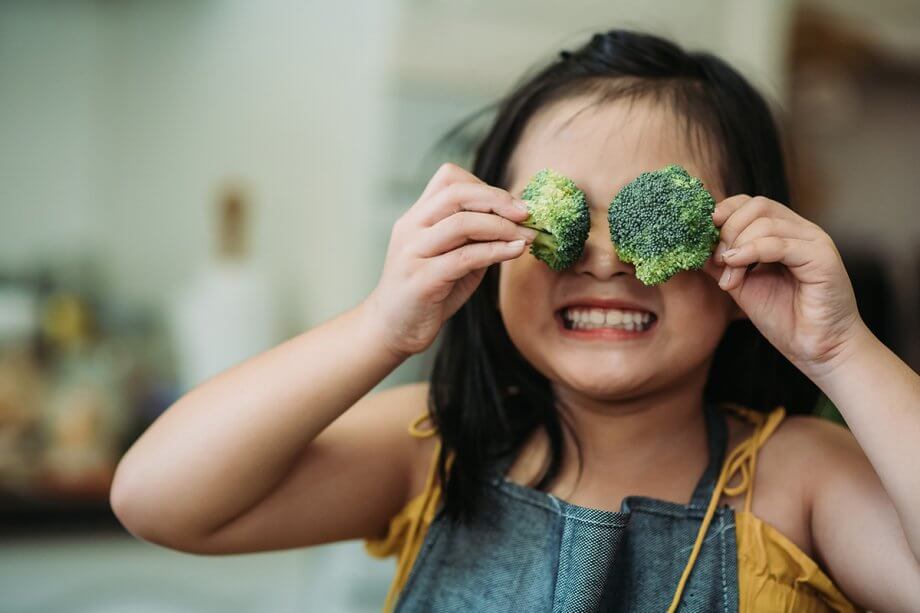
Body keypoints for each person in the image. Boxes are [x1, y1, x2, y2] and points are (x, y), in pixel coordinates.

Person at [110, 30, 920, 612]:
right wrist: (380, 326)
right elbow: (157, 498)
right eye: (555, 217)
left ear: (744, 251)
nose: (602, 258)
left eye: (653, 223)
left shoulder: (802, 474)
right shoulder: (436, 445)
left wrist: (841, 350)